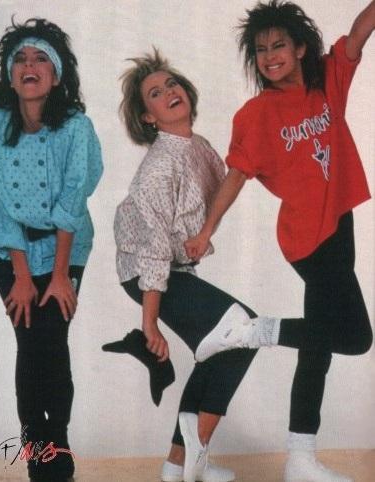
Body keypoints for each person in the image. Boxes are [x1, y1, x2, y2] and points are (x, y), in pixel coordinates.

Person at [185, 2, 374, 481]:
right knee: (339, 342)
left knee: (335, 341)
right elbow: (235, 177)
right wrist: (206, 231)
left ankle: (298, 451)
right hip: (308, 238)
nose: (270, 56)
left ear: (300, 48)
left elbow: (358, 33)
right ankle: (298, 453)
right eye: (261, 49)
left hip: (341, 225)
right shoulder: (257, 114)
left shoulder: (327, 82)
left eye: (278, 46)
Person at [106, 49, 258, 482]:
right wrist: (149, 324)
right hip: (146, 272)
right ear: (148, 117)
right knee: (243, 331)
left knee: (220, 348)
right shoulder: (159, 166)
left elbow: (224, 189)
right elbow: (153, 250)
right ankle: (196, 447)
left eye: (171, 84)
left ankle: (176, 464)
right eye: (155, 93)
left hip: (174, 268)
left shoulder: (198, 146)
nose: (169, 92)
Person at [0, 17, 103, 482]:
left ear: (57, 74)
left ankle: (57, 440)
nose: (30, 65)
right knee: (30, 341)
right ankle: (37, 450)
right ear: (10, 75)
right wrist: (23, 274)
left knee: (53, 339)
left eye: (41, 58)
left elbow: (73, 197)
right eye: (21, 59)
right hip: (9, 252)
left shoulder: (76, 127)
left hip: (66, 248)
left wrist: (62, 274)